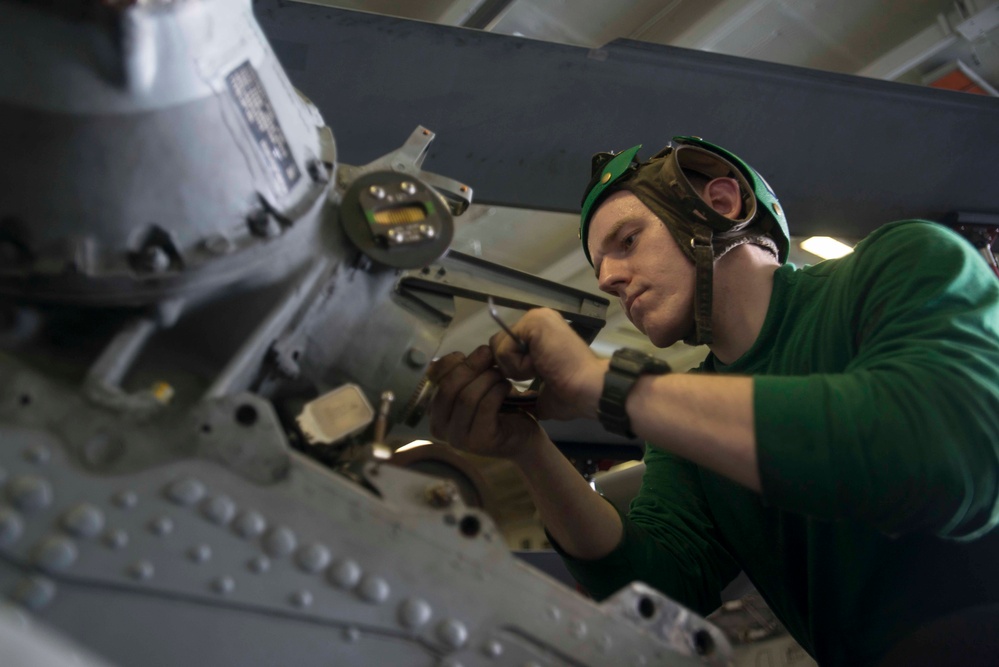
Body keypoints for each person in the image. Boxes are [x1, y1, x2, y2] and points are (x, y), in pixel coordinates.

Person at [426, 136, 999, 666]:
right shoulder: (687, 426)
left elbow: (947, 451)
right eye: (600, 266)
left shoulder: (899, 264)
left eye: (626, 242)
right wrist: (528, 447)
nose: (608, 279)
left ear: (721, 201)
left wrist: (609, 385)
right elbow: (656, 585)